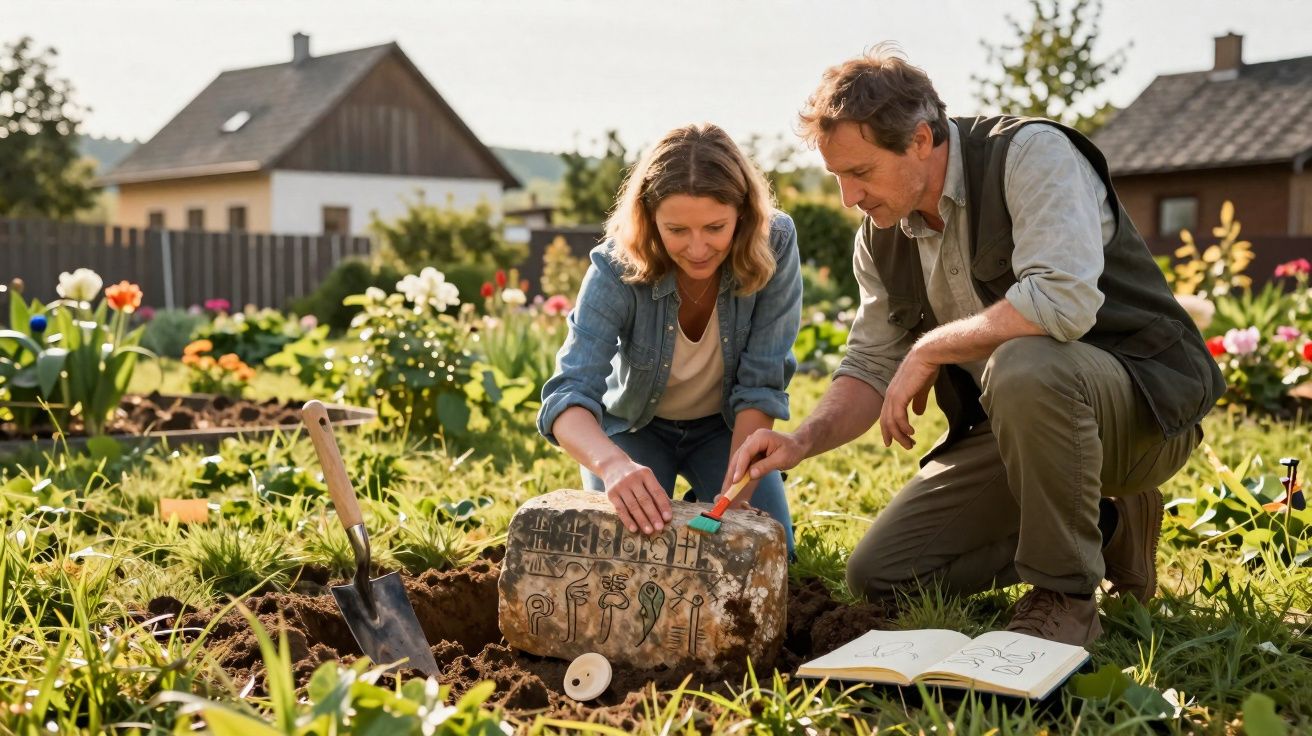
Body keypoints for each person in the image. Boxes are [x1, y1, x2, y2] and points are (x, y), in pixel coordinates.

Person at [726, 45, 1224, 645]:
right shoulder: (882, 235)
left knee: (1026, 362)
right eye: (838, 177)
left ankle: (1065, 594)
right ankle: (1112, 522)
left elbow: (1061, 301)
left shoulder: (1033, 155)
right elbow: (870, 362)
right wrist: (800, 440)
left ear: (919, 140)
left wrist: (931, 347)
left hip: (1141, 413)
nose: (848, 198)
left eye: (859, 173)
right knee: (881, 575)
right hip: (1024, 429)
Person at [538, 122, 802, 553]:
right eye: (676, 230)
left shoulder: (774, 241)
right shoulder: (615, 267)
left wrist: (734, 499)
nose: (698, 248)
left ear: (743, 215)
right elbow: (567, 395)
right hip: (635, 429)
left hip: (727, 429)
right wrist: (613, 466)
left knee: (769, 554)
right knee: (627, 555)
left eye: (715, 228)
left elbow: (761, 381)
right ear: (649, 218)